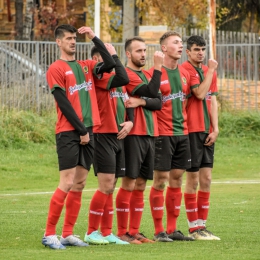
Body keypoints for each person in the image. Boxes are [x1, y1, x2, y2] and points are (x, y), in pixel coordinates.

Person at [42, 24, 116, 250]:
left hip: (89, 130)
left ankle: (67, 234)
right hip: (69, 131)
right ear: (59, 42)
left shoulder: (86, 66)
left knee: (80, 183)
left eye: (75, 38)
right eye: (68, 38)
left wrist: (94, 38)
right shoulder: (56, 68)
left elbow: (111, 63)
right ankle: (49, 234)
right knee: (66, 182)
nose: (73, 41)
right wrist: (81, 131)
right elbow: (62, 103)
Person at [115, 36, 164, 244]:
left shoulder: (145, 74)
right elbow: (153, 92)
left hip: (150, 133)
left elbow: (159, 102)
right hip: (133, 135)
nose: (143, 54)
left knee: (141, 183)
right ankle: (121, 232)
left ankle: (134, 231)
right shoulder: (126, 74)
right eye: (138, 51)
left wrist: (141, 101)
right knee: (129, 182)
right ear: (128, 54)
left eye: (145, 50)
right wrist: (159, 67)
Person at [83, 45, 133, 245]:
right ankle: (90, 231)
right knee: (105, 185)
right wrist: (111, 55)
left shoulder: (116, 82)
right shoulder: (99, 77)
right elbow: (124, 77)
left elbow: (127, 102)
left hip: (119, 136)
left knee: (111, 186)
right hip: (103, 135)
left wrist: (130, 122)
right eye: (105, 57)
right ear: (96, 59)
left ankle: (106, 232)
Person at [148, 31, 194, 242]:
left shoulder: (185, 73)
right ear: (164, 48)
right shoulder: (154, 73)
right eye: (175, 43)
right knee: (160, 180)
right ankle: (159, 231)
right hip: (163, 134)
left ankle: (173, 229)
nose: (180, 45)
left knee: (177, 178)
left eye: (181, 42)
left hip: (182, 133)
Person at [182, 35, 220, 240]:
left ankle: (202, 226)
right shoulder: (186, 70)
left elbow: (212, 100)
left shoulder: (207, 71)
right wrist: (212, 70)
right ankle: (193, 228)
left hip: (206, 131)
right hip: (191, 131)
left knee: (207, 179)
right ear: (188, 52)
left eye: (203, 49)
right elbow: (199, 94)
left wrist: (215, 129)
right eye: (197, 49)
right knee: (193, 179)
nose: (201, 53)